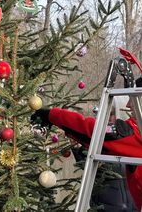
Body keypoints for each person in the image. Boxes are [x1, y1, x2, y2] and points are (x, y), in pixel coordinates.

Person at [31, 78, 142, 211]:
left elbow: (93, 131)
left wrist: (51, 115)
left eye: (133, 99)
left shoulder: (134, 133)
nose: (129, 105)